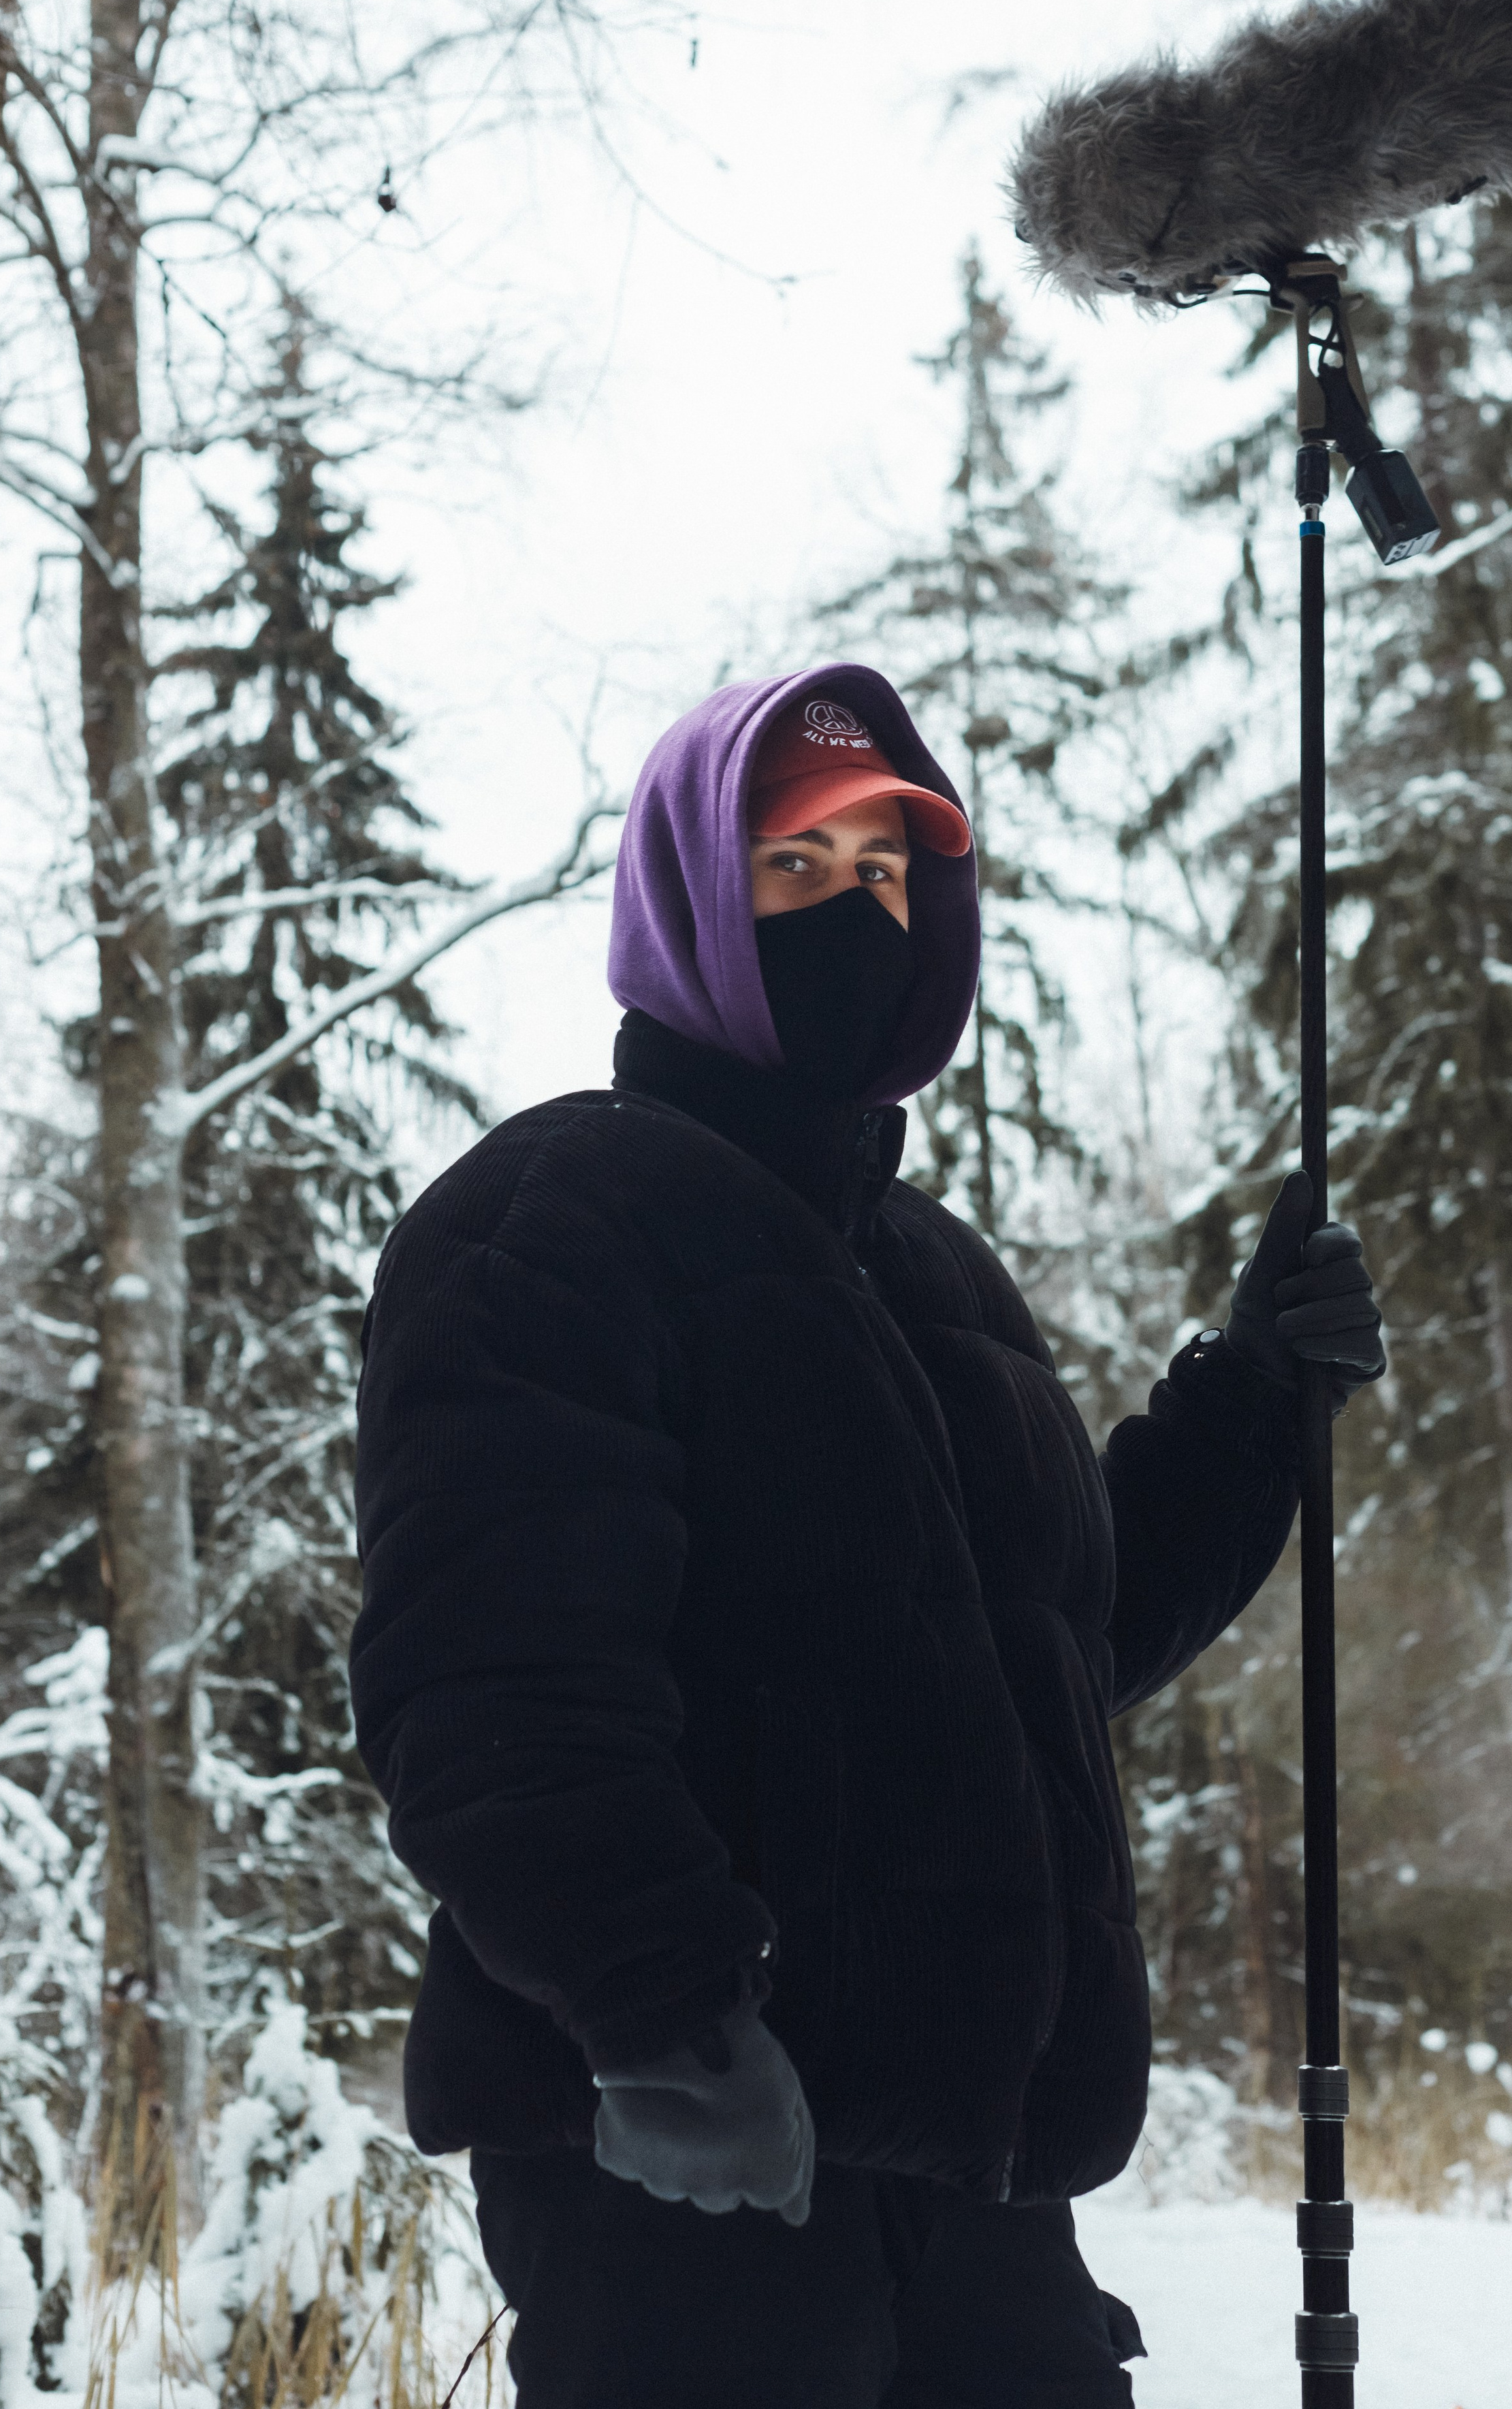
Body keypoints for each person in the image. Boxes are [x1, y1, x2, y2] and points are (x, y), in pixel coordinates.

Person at [349, 665, 1384, 2409]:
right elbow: (496, 1682)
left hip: (966, 2163)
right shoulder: (549, 1221)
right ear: (690, 895)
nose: (854, 914)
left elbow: (1056, 1644)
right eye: (796, 873)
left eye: (885, 876)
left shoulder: (935, 1276)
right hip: (675, 2154)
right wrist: (670, 2026)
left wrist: (1248, 1404)